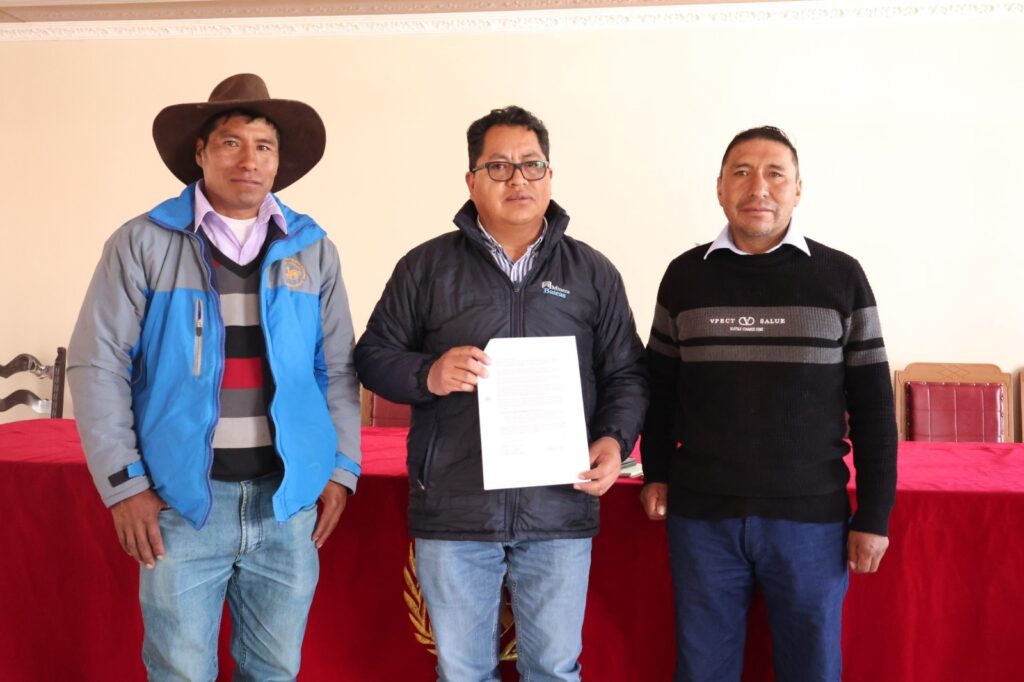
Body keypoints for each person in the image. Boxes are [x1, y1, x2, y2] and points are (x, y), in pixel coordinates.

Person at [67, 73, 361, 680]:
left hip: (286, 505)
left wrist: (340, 469)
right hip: (180, 505)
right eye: (231, 142)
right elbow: (98, 364)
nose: (248, 160)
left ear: (278, 161)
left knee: (275, 670)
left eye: (263, 146)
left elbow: (335, 368)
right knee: (179, 671)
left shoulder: (313, 249)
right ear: (200, 153)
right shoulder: (143, 242)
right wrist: (124, 485)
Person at [354, 105, 646, 681]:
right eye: (499, 166)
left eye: (531, 165)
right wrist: (428, 374)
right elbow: (372, 357)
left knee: (554, 670)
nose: (518, 179)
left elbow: (626, 375)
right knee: (463, 672)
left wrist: (614, 440)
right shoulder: (426, 267)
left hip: (558, 506)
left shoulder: (592, 273)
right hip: (455, 509)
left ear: (549, 176)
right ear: (471, 180)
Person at [640, 126, 897, 682]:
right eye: (741, 172)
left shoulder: (841, 277)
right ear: (719, 187)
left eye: (775, 174)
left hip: (812, 523)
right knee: (702, 670)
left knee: (812, 669)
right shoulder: (684, 276)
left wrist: (875, 514)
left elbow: (875, 407)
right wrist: (655, 471)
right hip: (702, 520)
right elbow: (659, 390)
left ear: (797, 189)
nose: (758, 187)